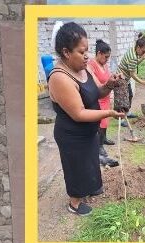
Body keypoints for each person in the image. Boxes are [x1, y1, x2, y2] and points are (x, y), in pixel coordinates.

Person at [47, 22, 125, 216]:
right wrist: (108, 113)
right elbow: (79, 113)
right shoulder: (60, 77)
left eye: (87, 51)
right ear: (66, 52)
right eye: (82, 52)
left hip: (89, 131)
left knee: (90, 161)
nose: (87, 56)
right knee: (76, 167)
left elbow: (97, 92)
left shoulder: (84, 68)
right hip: (72, 135)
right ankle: (74, 203)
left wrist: (110, 84)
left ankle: (90, 188)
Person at [86, 40, 119, 167]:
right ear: (99, 53)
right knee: (100, 122)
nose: (107, 60)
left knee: (106, 121)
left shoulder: (103, 64)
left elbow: (107, 77)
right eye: (106, 57)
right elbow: (96, 85)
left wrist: (113, 78)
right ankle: (99, 146)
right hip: (98, 98)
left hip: (106, 97)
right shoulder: (91, 65)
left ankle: (104, 139)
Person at [117, 33, 145, 117]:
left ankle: (127, 113)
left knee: (130, 95)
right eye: (143, 51)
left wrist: (142, 57)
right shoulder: (133, 57)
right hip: (120, 78)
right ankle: (122, 118)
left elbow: (135, 64)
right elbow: (133, 74)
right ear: (138, 47)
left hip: (125, 78)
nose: (144, 53)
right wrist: (142, 82)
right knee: (123, 99)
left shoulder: (134, 50)